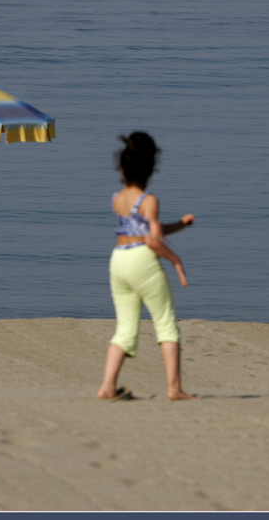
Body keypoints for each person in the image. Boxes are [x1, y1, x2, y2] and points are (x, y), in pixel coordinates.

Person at [97, 131, 198, 401]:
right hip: (142, 261)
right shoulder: (149, 200)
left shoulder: (117, 198)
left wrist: (180, 224)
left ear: (122, 169)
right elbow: (152, 239)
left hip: (118, 260)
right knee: (165, 324)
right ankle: (174, 389)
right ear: (151, 169)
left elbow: (142, 229)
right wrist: (175, 261)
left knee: (125, 329)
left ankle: (107, 386)